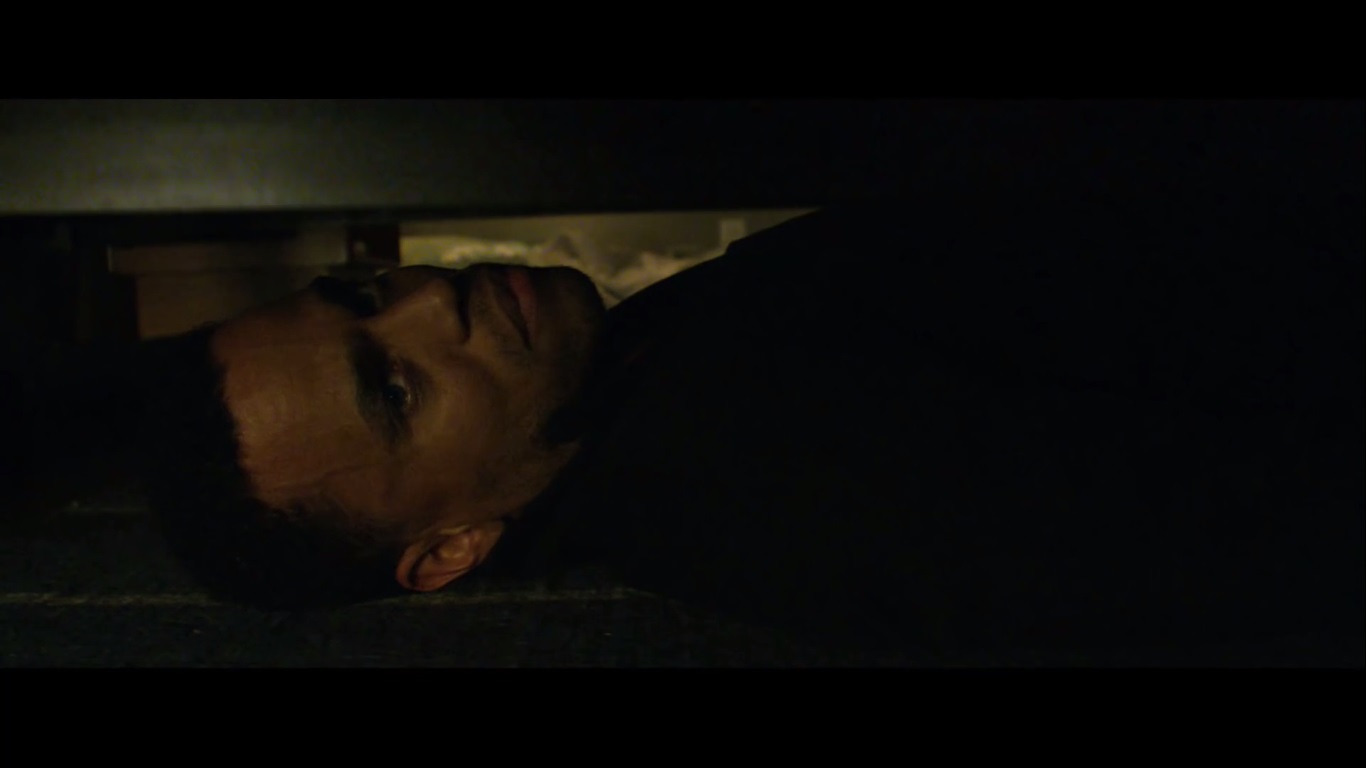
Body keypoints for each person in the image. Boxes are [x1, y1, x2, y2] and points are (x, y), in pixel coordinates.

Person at [139, 194, 1363, 662]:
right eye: (396, 391)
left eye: (364, 295)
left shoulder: (642, 390)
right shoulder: (782, 481)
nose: (428, 299)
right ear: (451, 547)